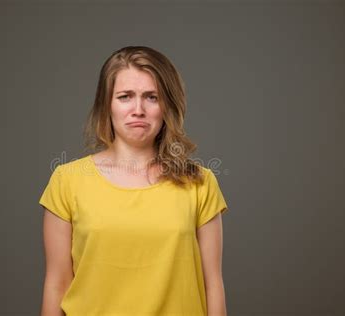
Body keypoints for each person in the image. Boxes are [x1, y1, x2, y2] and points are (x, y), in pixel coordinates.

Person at [39, 46, 229, 316]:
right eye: (125, 96)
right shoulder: (66, 182)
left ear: (167, 106)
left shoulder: (200, 183)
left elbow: (213, 286)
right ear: (108, 105)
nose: (138, 109)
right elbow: (57, 285)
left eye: (151, 97)